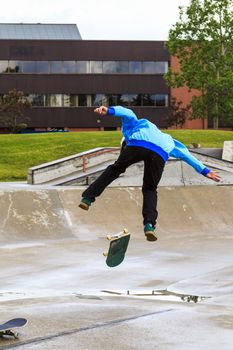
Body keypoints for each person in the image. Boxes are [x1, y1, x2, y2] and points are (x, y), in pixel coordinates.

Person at [79, 105, 221, 241]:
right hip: (160, 154)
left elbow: (127, 113)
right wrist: (205, 171)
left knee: (115, 169)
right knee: (150, 189)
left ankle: (88, 198)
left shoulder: (135, 126)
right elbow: (187, 155)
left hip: (138, 145)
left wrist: (110, 111)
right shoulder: (169, 140)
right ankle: (149, 225)